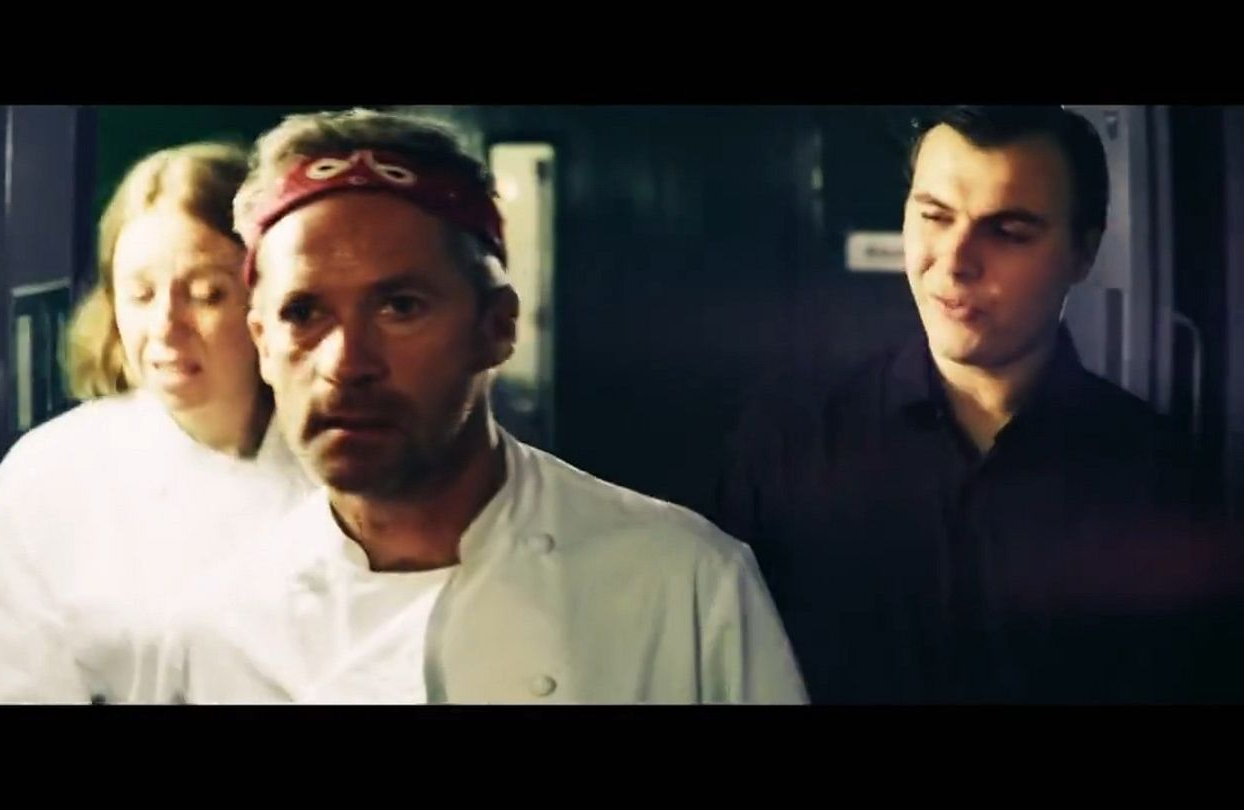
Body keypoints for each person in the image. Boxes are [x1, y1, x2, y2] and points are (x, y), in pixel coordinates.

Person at [157, 109, 808, 704]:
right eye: (304, 314)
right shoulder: (215, 632)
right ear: (262, 344)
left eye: (400, 307)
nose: (347, 363)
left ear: (496, 326)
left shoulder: (680, 583)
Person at [715, 105, 1242, 704]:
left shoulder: (1158, 479)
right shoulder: (792, 443)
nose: (955, 261)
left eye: (1009, 231)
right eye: (934, 216)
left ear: (1083, 252)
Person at [0, 141, 317, 704]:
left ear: (269, 303)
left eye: (206, 295)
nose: (165, 326)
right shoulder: (43, 481)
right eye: (140, 295)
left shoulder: (342, 462)